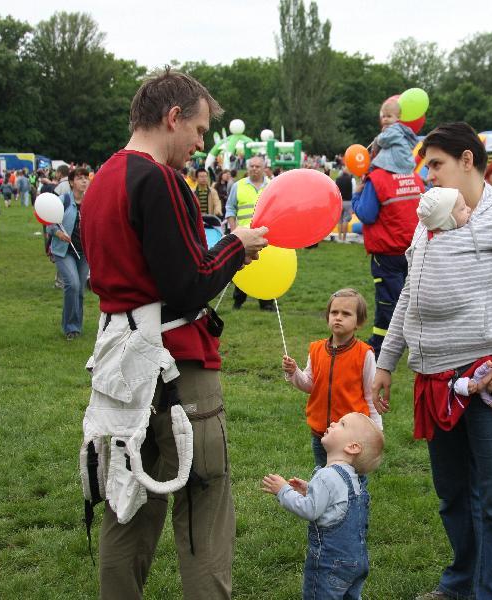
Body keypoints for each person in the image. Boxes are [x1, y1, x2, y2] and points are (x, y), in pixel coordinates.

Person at [80, 67, 269, 600]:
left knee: (128, 501)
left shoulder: (101, 180)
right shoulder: (159, 179)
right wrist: (236, 245)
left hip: (123, 365)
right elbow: (188, 286)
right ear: (172, 117)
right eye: (200, 130)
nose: (202, 143)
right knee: (202, 505)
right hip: (176, 366)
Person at [372, 122, 492, 600]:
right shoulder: (427, 219)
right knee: (454, 495)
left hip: (490, 380)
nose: (427, 174)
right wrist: (388, 362)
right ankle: (461, 583)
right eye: (426, 164)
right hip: (434, 377)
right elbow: (409, 295)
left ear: (468, 161)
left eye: (436, 164)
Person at [260, 412, 384, 600]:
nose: (333, 422)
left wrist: (283, 490)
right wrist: (310, 490)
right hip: (356, 562)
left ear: (352, 447)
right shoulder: (352, 478)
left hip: (330, 564)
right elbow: (336, 504)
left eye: (342, 424)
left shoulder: (327, 476)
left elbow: (310, 510)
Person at [282, 289, 382, 468]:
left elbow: (370, 395)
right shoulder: (316, 350)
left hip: (351, 437)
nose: (338, 317)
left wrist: (376, 430)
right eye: (334, 312)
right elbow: (310, 384)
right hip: (322, 435)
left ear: (358, 322)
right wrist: (294, 372)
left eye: (346, 314)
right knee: (323, 477)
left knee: (353, 482)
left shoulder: (364, 354)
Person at [351, 143, 425, 359]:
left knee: (388, 301)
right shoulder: (414, 176)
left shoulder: (377, 179)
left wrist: (356, 196)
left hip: (387, 252)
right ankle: (416, 342)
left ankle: (381, 345)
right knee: (414, 299)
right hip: (414, 250)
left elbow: (366, 214)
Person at [225, 155, 274, 311]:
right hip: (244, 236)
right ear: (247, 168)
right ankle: (238, 300)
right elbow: (230, 208)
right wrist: (233, 230)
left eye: (257, 166)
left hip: (267, 236)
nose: (254, 169)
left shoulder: (272, 186)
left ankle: (266, 303)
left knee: (267, 269)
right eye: (251, 166)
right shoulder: (238, 186)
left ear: (264, 168)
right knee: (243, 268)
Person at [47, 168, 91, 340]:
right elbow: (50, 222)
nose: (84, 181)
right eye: (80, 178)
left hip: (83, 251)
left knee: (79, 290)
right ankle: (70, 328)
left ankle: (75, 327)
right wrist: (58, 234)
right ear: (72, 182)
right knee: (72, 284)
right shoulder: (63, 200)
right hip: (64, 251)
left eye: (86, 178)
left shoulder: (91, 201)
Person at [371, 97, 417, 174]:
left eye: (389, 116)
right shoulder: (400, 129)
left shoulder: (394, 129)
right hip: (404, 159)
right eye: (383, 116)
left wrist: (380, 136)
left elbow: (382, 141)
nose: (385, 119)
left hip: (400, 160)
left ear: (397, 117)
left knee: (373, 166)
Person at [335, 166, 355, 243]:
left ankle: (339, 237)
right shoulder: (351, 180)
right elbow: (353, 190)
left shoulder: (338, 179)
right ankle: (344, 238)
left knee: (339, 220)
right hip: (348, 201)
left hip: (340, 202)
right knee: (345, 220)